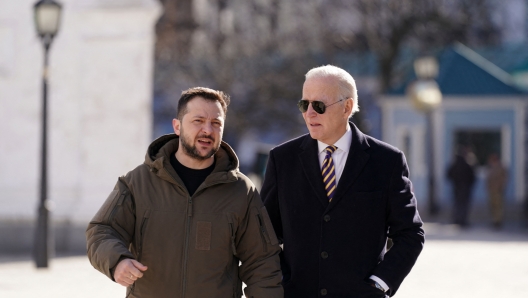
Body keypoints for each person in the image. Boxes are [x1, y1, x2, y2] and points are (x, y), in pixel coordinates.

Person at [86, 87, 283, 298]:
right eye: (198, 121)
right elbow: (102, 230)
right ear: (177, 126)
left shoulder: (241, 191)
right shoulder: (138, 182)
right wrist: (117, 261)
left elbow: (263, 262)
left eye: (216, 123)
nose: (208, 130)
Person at [261, 65, 424, 297]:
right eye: (303, 104)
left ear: (347, 107)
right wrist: (282, 282)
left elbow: (410, 233)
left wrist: (379, 284)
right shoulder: (282, 159)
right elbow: (263, 236)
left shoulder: (387, 161)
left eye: (318, 105)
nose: (309, 113)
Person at [447, 147, 476, 228]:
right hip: (465, 188)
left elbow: (448, 174)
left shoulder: (455, 165)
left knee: (457, 204)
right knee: (464, 205)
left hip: (457, 188)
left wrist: (455, 182)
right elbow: (472, 176)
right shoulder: (467, 165)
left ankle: (457, 220)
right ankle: (462, 221)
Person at [486, 153, 507, 229]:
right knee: (493, 206)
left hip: (498, 190)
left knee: (498, 207)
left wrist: (499, 186)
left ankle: (498, 222)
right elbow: (488, 179)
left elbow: (504, 178)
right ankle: (494, 220)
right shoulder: (491, 168)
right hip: (491, 190)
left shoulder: (500, 168)